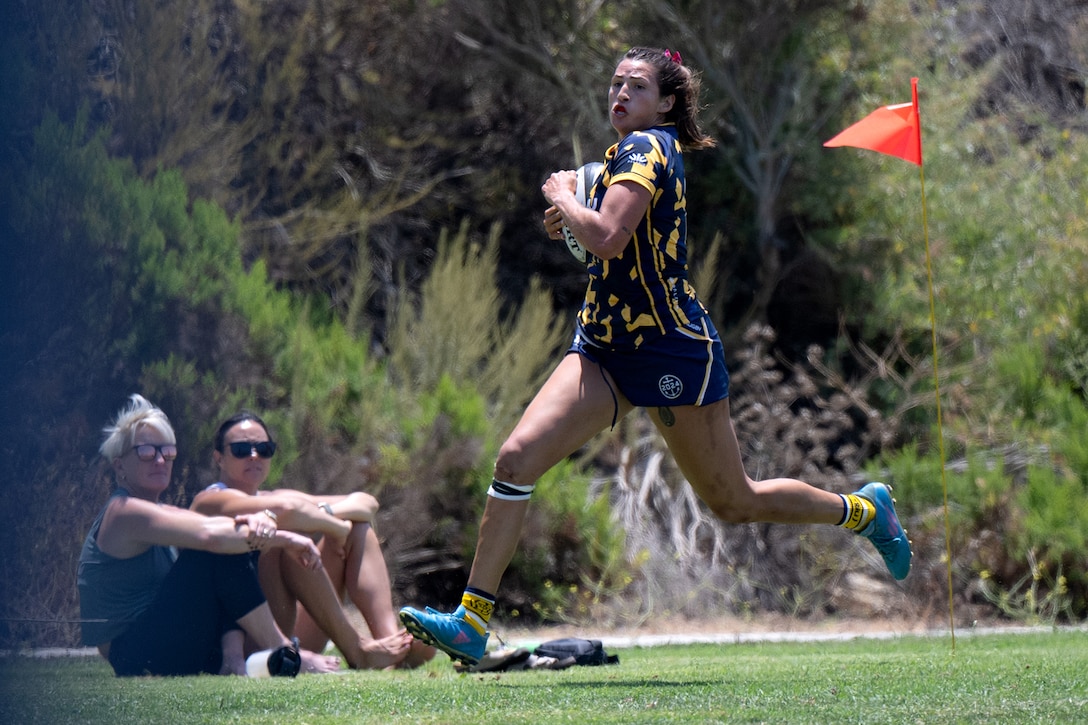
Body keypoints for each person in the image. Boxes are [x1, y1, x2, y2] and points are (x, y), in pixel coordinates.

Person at [398, 46, 912, 666]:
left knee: (732, 500)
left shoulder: (646, 148)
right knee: (516, 458)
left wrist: (564, 196)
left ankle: (863, 510)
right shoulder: (627, 152)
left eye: (636, 86)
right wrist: (575, 216)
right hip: (604, 343)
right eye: (615, 83)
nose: (619, 94)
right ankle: (472, 621)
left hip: (671, 348)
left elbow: (608, 240)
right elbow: (604, 236)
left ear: (666, 103)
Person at [77, 394, 342, 677]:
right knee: (215, 545)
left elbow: (215, 528)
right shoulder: (123, 512)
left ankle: (234, 659)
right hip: (136, 653)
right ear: (119, 466)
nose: (159, 460)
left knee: (227, 540)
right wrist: (288, 539)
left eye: (167, 452)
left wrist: (260, 524)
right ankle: (286, 652)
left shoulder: (159, 510)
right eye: (146, 452)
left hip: (169, 639)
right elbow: (208, 535)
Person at [190, 411, 434, 669]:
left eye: (263, 448)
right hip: (241, 642)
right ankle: (358, 649)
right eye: (241, 449)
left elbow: (366, 502)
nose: (254, 455)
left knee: (356, 529)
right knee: (287, 542)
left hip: (287, 630)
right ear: (219, 458)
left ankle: (391, 643)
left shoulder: (274, 497)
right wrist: (325, 523)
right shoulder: (209, 502)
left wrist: (329, 519)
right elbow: (288, 511)